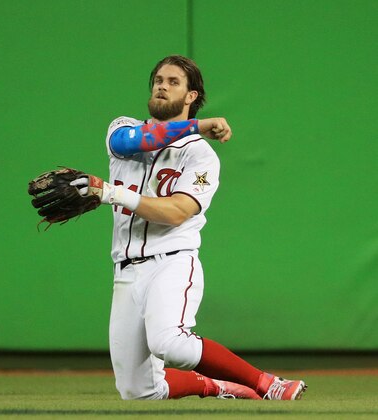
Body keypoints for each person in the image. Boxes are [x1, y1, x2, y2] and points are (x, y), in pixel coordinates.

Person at [73, 55, 306, 400]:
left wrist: (112, 193)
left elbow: (178, 212)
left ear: (191, 96)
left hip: (170, 261)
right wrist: (199, 125)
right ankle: (217, 385)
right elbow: (138, 141)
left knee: (171, 343)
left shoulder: (200, 156)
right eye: (158, 80)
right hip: (124, 269)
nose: (162, 86)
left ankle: (267, 383)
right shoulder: (122, 129)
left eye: (173, 82)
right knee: (137, 391)